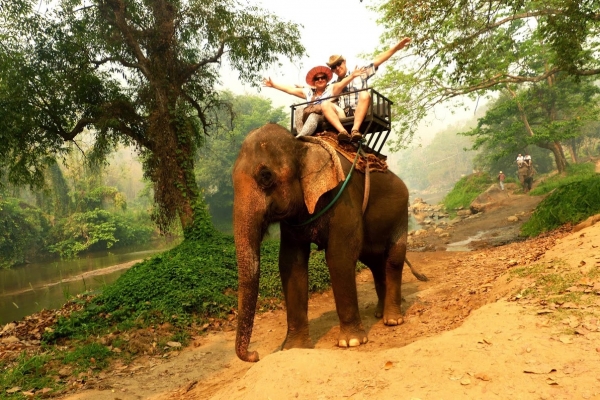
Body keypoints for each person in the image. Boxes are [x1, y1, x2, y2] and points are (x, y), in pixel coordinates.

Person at [321, 37, 412, 143]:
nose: (337, 68)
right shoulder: (334, 84)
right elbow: (330, 91)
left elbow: (377, 60)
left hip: (359, 111)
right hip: (343, 114)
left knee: (364, 94)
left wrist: (396, 48)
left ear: (344, 62)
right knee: (324, 104)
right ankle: (343, 132)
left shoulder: (360, 72)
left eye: (338, 64)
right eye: (333, 67)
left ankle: (355, 130)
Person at [263, 66, 343, 137]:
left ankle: (301, 137)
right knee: (299, 109)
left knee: (313, 115)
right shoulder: (309, 92)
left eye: (323, 77)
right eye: (317, 78)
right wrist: (274, 85)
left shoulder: (331, 89)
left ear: (326, 80)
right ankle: (300, 133)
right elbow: (290, 89)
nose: (320, 80)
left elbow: (343, 82)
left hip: (325, 115)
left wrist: (353, 75)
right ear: (314, 82)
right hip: (309, 116)